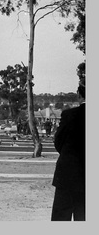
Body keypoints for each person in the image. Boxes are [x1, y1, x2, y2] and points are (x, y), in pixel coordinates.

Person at [51, 64, 85, 221]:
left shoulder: (69, 115)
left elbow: (58, 142)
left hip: (68, 175)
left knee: (60, 219)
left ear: (79, 95)